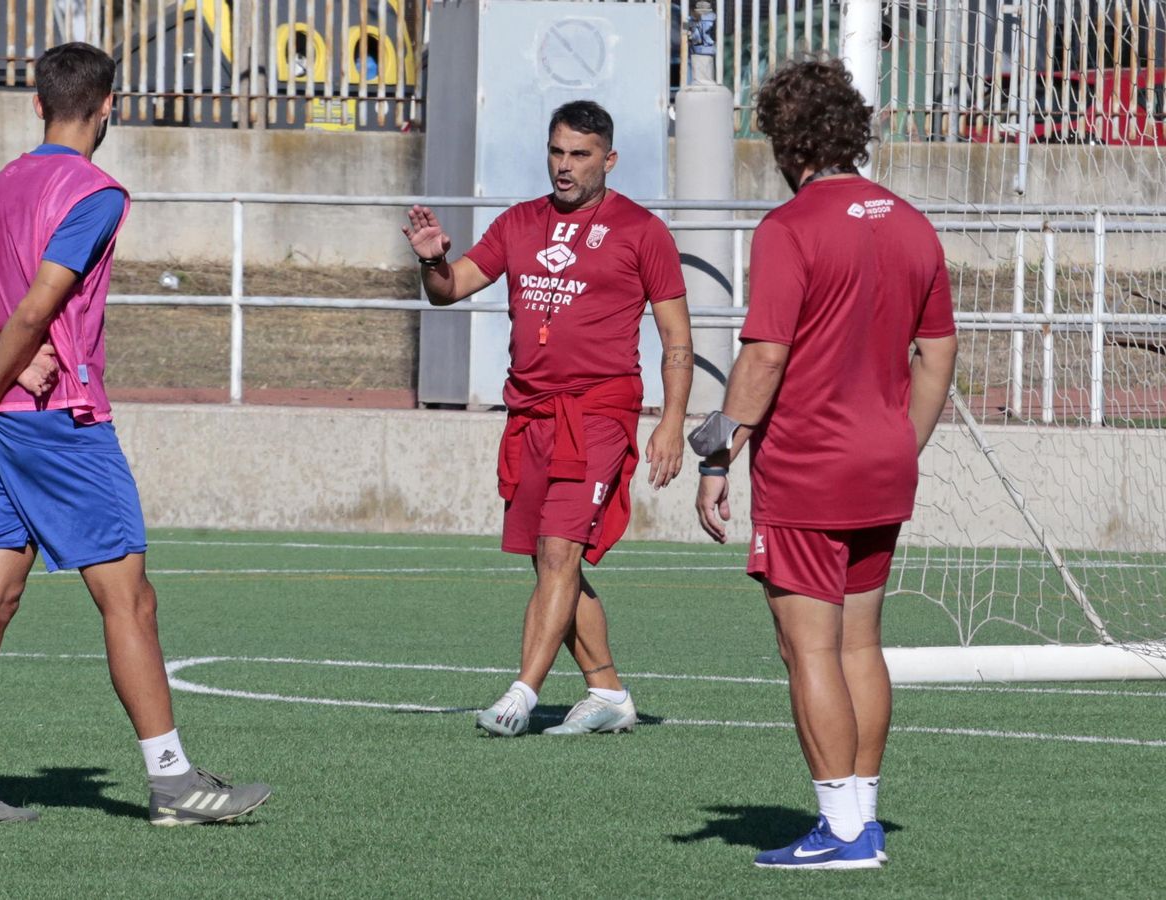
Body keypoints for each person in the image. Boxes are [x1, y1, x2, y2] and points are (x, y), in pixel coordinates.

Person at [0, 42, 269, 825]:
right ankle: (174, 783)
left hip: (6, 430)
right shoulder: (96, 193)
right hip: (61, 428)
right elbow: (38, 307)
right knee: (130, 603)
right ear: (108, 105)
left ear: (38, 104)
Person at [692, 58, 957, 869]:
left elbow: (764, 358)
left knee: (808, 648)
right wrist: (899, 442)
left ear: (786, 139)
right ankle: (861, 817)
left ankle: (842, 833)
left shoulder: (790, 228)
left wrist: (717, 453)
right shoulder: (911, 221)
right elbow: (939, 350)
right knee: (858, 646)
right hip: (882, 466)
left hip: (809, 470)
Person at [402, 100, 694, 737]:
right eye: (557, 152)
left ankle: (522, 693)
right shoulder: (519, 222)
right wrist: (431, 259)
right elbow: (451, 289)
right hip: (530, 415)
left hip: (599, 415)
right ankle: (609, 692)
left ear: (609, 160)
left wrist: (671, 422)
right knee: (549, 559)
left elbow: (677, 338)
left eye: (580, 155)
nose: (565, 167)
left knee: (560, 550)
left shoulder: (643, 232)